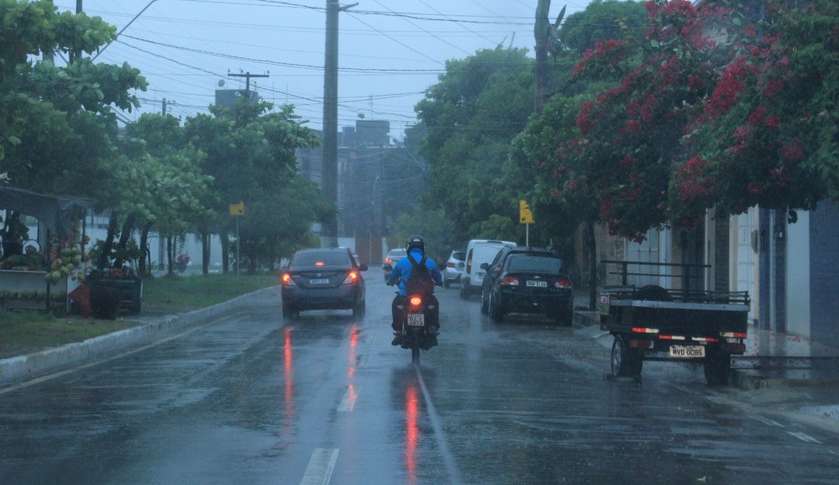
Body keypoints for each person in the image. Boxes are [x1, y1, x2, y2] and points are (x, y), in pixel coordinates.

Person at [387, 236, 442, 346]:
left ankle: (398, 331)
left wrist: (391, 281)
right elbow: (438, 278)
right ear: (422, 248)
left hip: (405, 295)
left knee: (395, 304)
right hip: (426, 296)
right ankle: (432, 327)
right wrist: (439, 282)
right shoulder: (430, 262)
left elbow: (392, 277)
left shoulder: (402, 262)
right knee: (434, 304)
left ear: (409, 248)